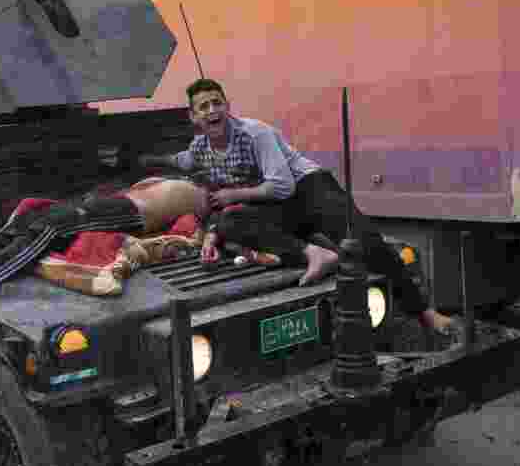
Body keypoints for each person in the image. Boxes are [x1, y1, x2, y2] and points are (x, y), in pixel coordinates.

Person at [139, 78, 460, 337]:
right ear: (193, 117)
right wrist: (143, 163)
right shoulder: (199, 150)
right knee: (227, 225)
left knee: (364, 241)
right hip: (276, 208)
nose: (212, 110)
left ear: (227, 106)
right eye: (203, 107)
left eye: (217, 103)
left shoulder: (255, 134)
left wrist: (233, 194)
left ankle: (425, 313)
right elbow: (179, 162)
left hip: (309, 190)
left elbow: (283, 185)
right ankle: (314, 253)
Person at [0, 176, 213, 301]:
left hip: (129, 213)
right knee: (27, 223)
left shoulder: (203, 199)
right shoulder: (183, 176)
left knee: (46, 231)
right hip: (114, 203)